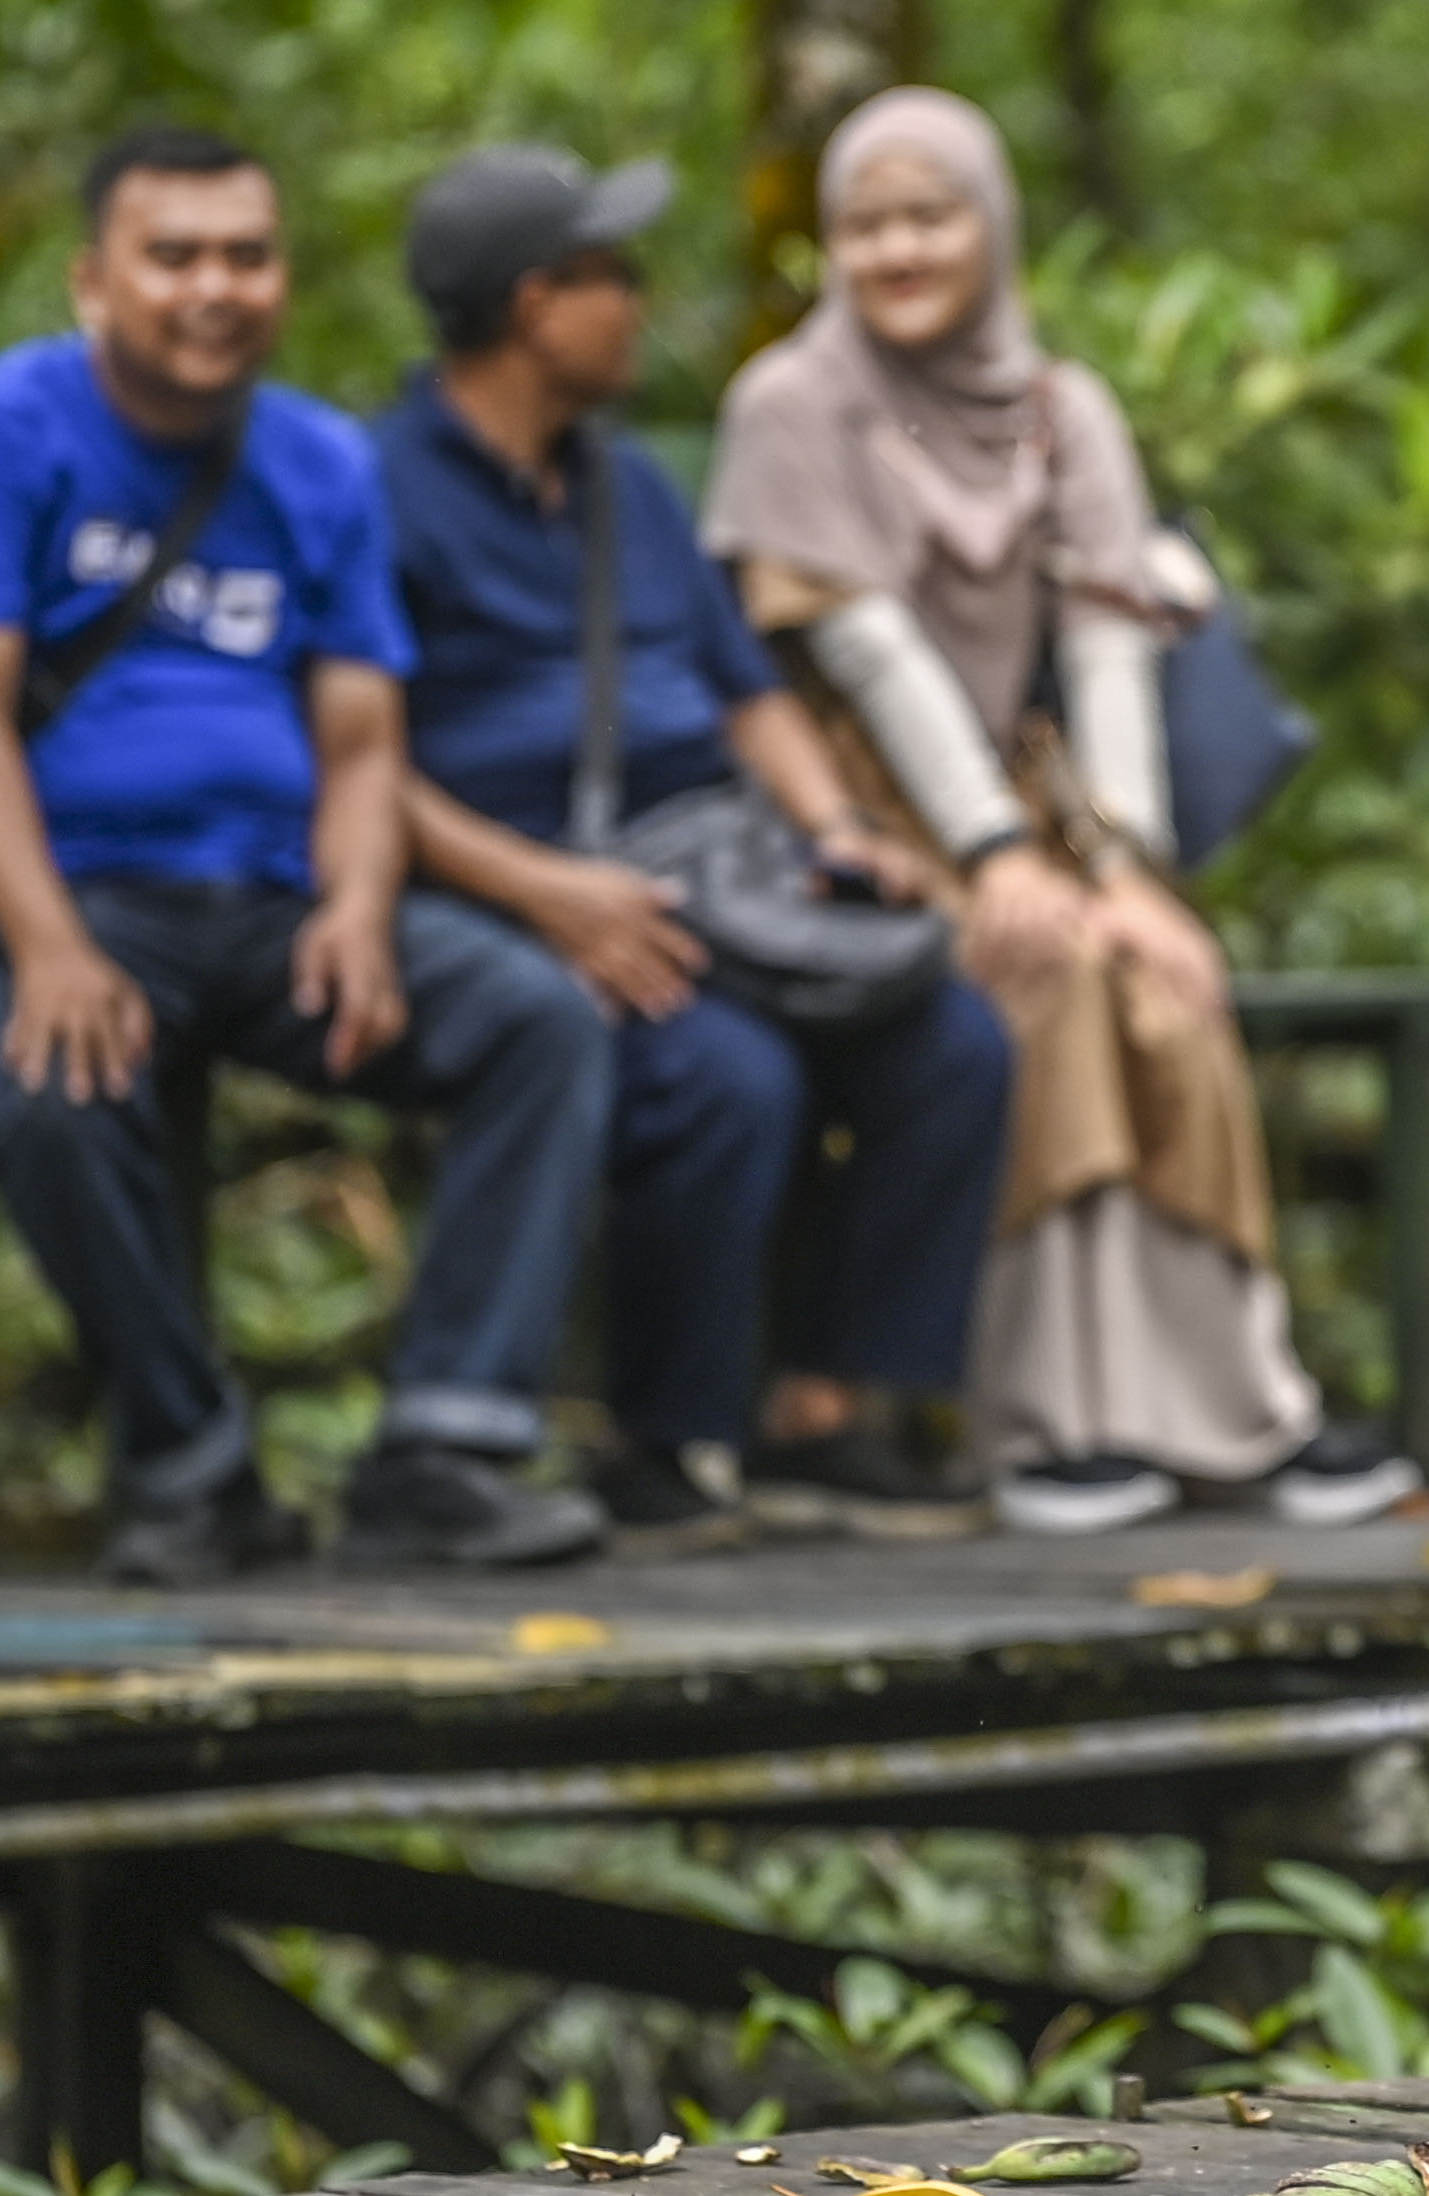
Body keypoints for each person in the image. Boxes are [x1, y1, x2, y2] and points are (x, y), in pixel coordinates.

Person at [0, 125, 613, 1582]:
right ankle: (192, 1470)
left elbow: (360, 741)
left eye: (247, 256)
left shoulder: (317, 460)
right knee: (56, 1080)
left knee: (538, 1021)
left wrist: (358, 906)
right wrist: (48, 946)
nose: (215, 289)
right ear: (93, 280)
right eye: (174, 258)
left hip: (272, 899)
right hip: (67, 890)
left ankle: (444, 1452)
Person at [702, 90, 1423, 1538]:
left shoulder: (1058, 406)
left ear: (992, 225)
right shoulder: (793, 404)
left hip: (1047, 805)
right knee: (1047, 975)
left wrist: (1131, 872)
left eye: (930, 216)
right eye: (864, 225)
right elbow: (871, 660)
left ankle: (1238, 1411)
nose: (898, 251)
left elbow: (1108, 650)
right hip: (855, 818)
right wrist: (993, 861)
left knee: (1164, 983)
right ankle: (1046, 1423)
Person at [375, 145, 1012, 1546]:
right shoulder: (379, 490)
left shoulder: (631, 490)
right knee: (727, 1077)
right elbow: (356, 759)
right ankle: (663, 1437)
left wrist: (836, 830)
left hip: (710, 864)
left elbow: (744, 691)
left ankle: (822, 1415)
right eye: (615, 277)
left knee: (949, 1036)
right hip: (508, 888)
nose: (640, 307)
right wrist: (545, 896)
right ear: (536, 305)